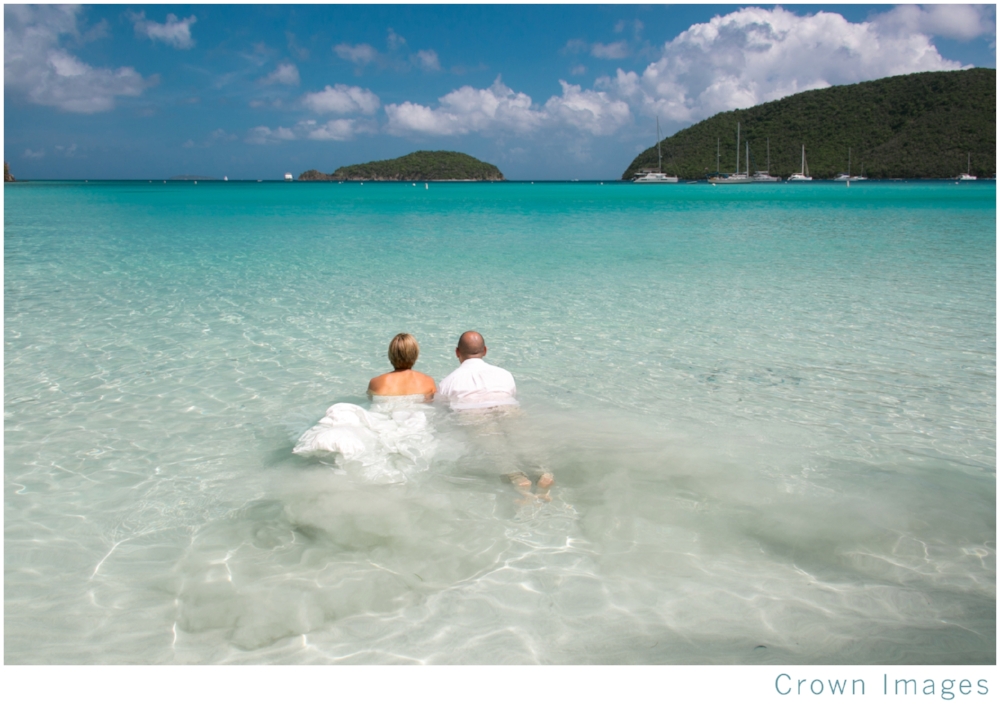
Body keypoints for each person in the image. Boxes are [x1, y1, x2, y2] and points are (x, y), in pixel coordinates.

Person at [437, 331, 553, 498]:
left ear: (457, 352)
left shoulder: (448, 382)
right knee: (526, 442)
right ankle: (544, 474)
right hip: (507, 407)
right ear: (485, 350)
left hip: (472, 412)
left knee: (497, 450)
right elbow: (512, 396)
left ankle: (518, 480)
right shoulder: (504, 374)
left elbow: (444, 410)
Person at [367, 333, 437, 401]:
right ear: (415, 354)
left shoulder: (374, 383)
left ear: (390, 355)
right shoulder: (428, 382)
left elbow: (370, 402)